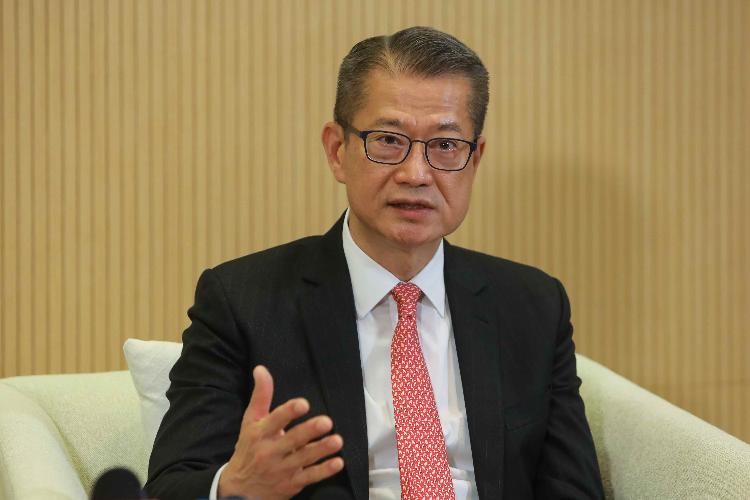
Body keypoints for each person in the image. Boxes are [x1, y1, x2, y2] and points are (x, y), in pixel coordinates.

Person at [145, 26, 604, 500]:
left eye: (445, 145)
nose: (416, 174)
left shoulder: (532, 305)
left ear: (475, 159)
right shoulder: (244, 301)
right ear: (337, 151)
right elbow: (170, 486)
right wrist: (235, 486)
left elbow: (574, 488)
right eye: (388, 140)